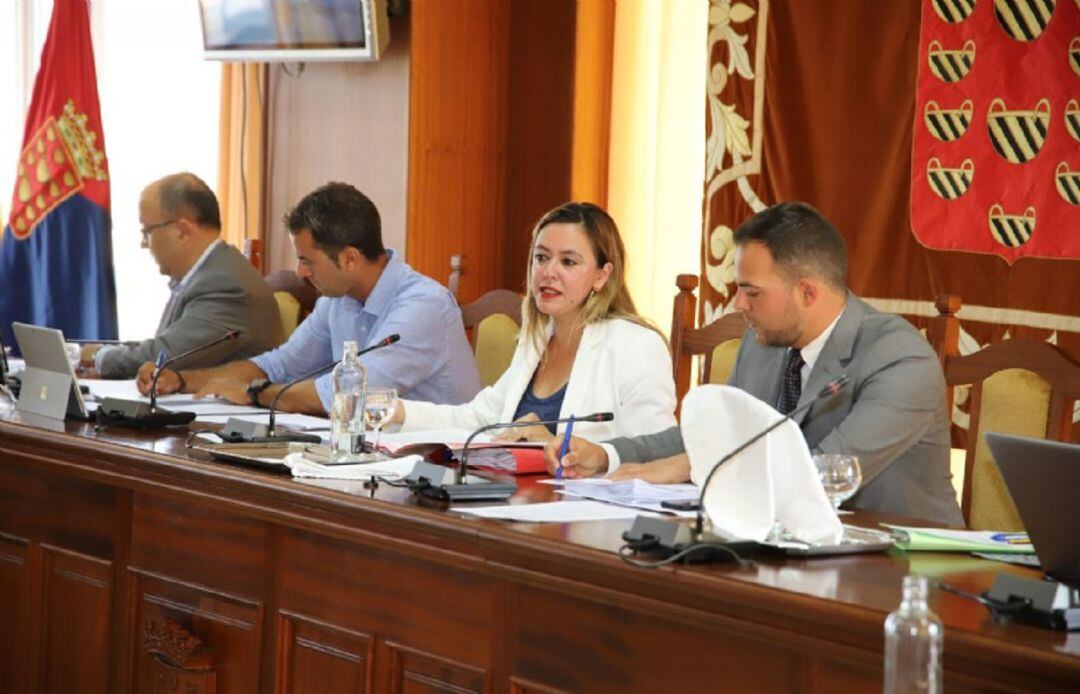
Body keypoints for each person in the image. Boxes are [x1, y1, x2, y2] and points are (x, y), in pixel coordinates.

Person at [548, 202, 963, 525]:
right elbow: (708, 434)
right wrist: (606, 455)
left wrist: (697, 465)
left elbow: (824, 474)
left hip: (904, 569)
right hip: (795, 550)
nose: (738, 305)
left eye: (752, 292)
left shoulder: (899, 359)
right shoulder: (764, 343)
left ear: (808, 293)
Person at [138, 181, 480, 414]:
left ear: (349, 258)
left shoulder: (423, 306)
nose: (301, 272)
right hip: (371, 459)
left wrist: (255, 393)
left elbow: (347, 396)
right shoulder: (338, 300)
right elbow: (279, 364)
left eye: (307, 260)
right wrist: (185, 380)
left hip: (439, 470)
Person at [389, 202, 677, 443]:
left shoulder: (636, 346)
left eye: (568, 262)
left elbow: (657, 451)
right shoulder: (538, 339)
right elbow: (477, 418)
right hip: (518, 501)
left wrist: (554, 445)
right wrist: (393, 409)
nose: (548, 272)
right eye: (541, 257)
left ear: (602, 275)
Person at [79, 173, 282, 378]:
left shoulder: (225, 284)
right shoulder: (203, 274)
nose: (143, 243)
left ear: (182, 230)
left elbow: (165, 356)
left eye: (146, 230)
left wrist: (98, 356)